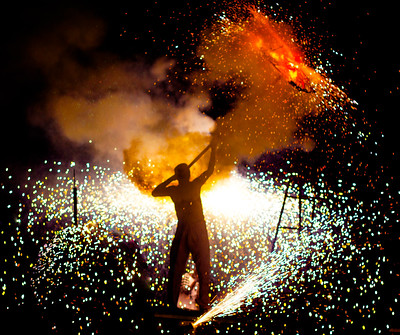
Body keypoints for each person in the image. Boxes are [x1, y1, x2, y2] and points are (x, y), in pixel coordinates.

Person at [152, 141, 216, 312]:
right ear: (187, 174)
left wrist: (171, 180)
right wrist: (214, 150)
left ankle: (172, 303)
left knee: (176, 268)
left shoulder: (174, 190)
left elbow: (156, 191)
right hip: (196, 228)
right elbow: (210, 170)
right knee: (203, 267)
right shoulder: (194, 185)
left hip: (185, 228)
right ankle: (203, 303)